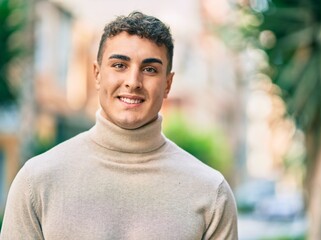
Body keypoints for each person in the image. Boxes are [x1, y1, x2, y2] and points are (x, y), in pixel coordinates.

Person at [0, 11, 238, 239]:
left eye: (149, 69)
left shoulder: (210, 192)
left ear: (168, 84)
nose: (133, 82)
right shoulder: (37, 181)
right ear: (97, 74)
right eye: (119, 65)